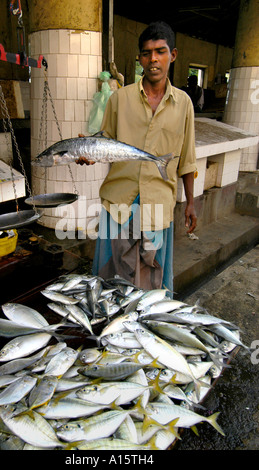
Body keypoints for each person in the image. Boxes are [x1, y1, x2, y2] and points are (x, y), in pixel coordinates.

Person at [87, 21, 197, 294]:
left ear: (173, 55)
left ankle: (146, 327)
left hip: (158, 202)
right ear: (139, 58)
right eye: (146, 53)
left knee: (152, 278)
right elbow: (104, 142)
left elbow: (187, 160)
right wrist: (87, 153)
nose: (153, 60)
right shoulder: (119, 99)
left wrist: (191, 202)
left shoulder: (183, 104)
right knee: (110, 276)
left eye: (160, 51)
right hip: (119, 201)